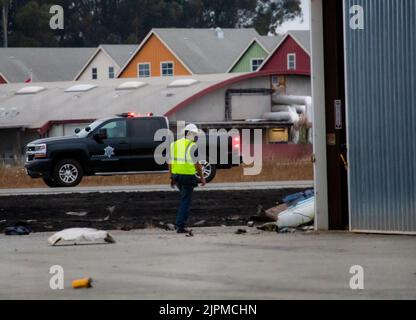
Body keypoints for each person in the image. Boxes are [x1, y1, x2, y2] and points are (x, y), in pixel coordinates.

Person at [169, 123, 206, 233]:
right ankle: (180, 225)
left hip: (177, 176)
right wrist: (202, 177)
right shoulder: (192, 146)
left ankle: (179, 223)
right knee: (186, 201)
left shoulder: (174, 144)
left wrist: (171, 177)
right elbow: (197, 164)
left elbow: (170, 162)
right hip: (187, 177)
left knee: (183, 199)